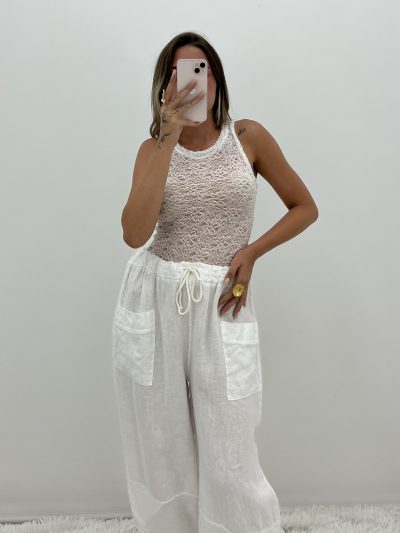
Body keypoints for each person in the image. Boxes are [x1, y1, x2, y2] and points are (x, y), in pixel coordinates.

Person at [112, 31, 318, 533]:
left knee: (230, 441)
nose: (190, 83)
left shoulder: (248, 138)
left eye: (199, 70)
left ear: (217, 79)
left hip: (223, 300)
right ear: (164, 86)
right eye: (178, 74)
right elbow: (134, 233)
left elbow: (304, 207)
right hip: (156, 298)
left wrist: (251, 252)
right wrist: (167, 135)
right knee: (162, 441)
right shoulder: (151, 149)